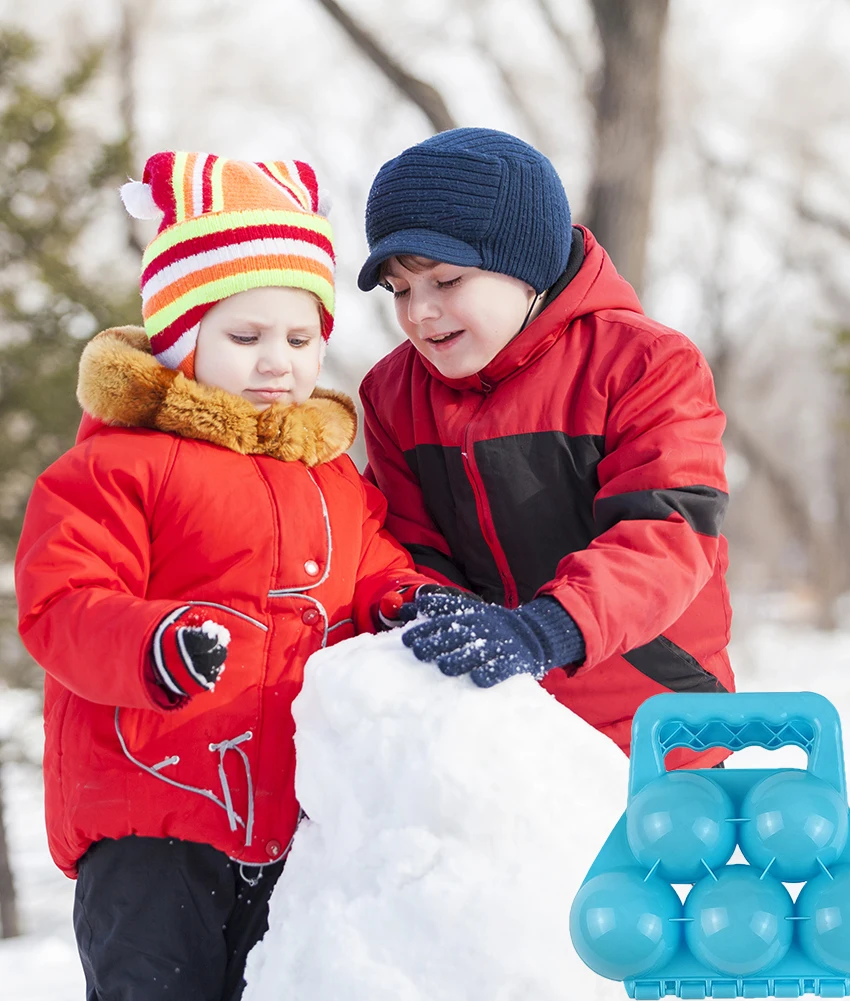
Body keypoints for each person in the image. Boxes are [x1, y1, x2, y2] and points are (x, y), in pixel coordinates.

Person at [14, 151, 433, 1001]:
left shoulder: (329, 475)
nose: (277, 361)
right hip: (149, 817)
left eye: (300, 339)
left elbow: (372, 564)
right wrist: (152, 644)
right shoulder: (120, 465)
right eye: (245, 338)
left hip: (287, 825)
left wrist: (409, 603)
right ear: (182, 340)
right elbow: (62, 601)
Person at [357, 128, 734, 767]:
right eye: (400, 290)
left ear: (526, 266)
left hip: (656, 723)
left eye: (446, 281)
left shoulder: (642, 363)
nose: (418, 312)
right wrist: (423, 606)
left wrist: (548, 628)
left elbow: (666, 534)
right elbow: (408, 548)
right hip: (500, 731)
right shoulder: (394, 394)